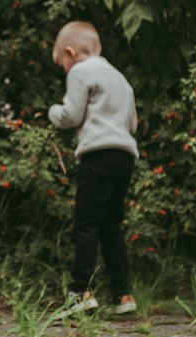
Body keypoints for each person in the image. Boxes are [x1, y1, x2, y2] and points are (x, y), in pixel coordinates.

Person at [48, 20, 138, 316]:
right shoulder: (121, 79)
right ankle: (123, 295)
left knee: (86, 226)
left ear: (71, 52)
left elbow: (72, 115)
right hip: (124, 156)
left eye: (62, 62)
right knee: (112, 226)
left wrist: (55, 113)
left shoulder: (80, 71)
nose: (65, 68)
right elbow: (133, 123)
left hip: (97, 156)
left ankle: (79, 292)